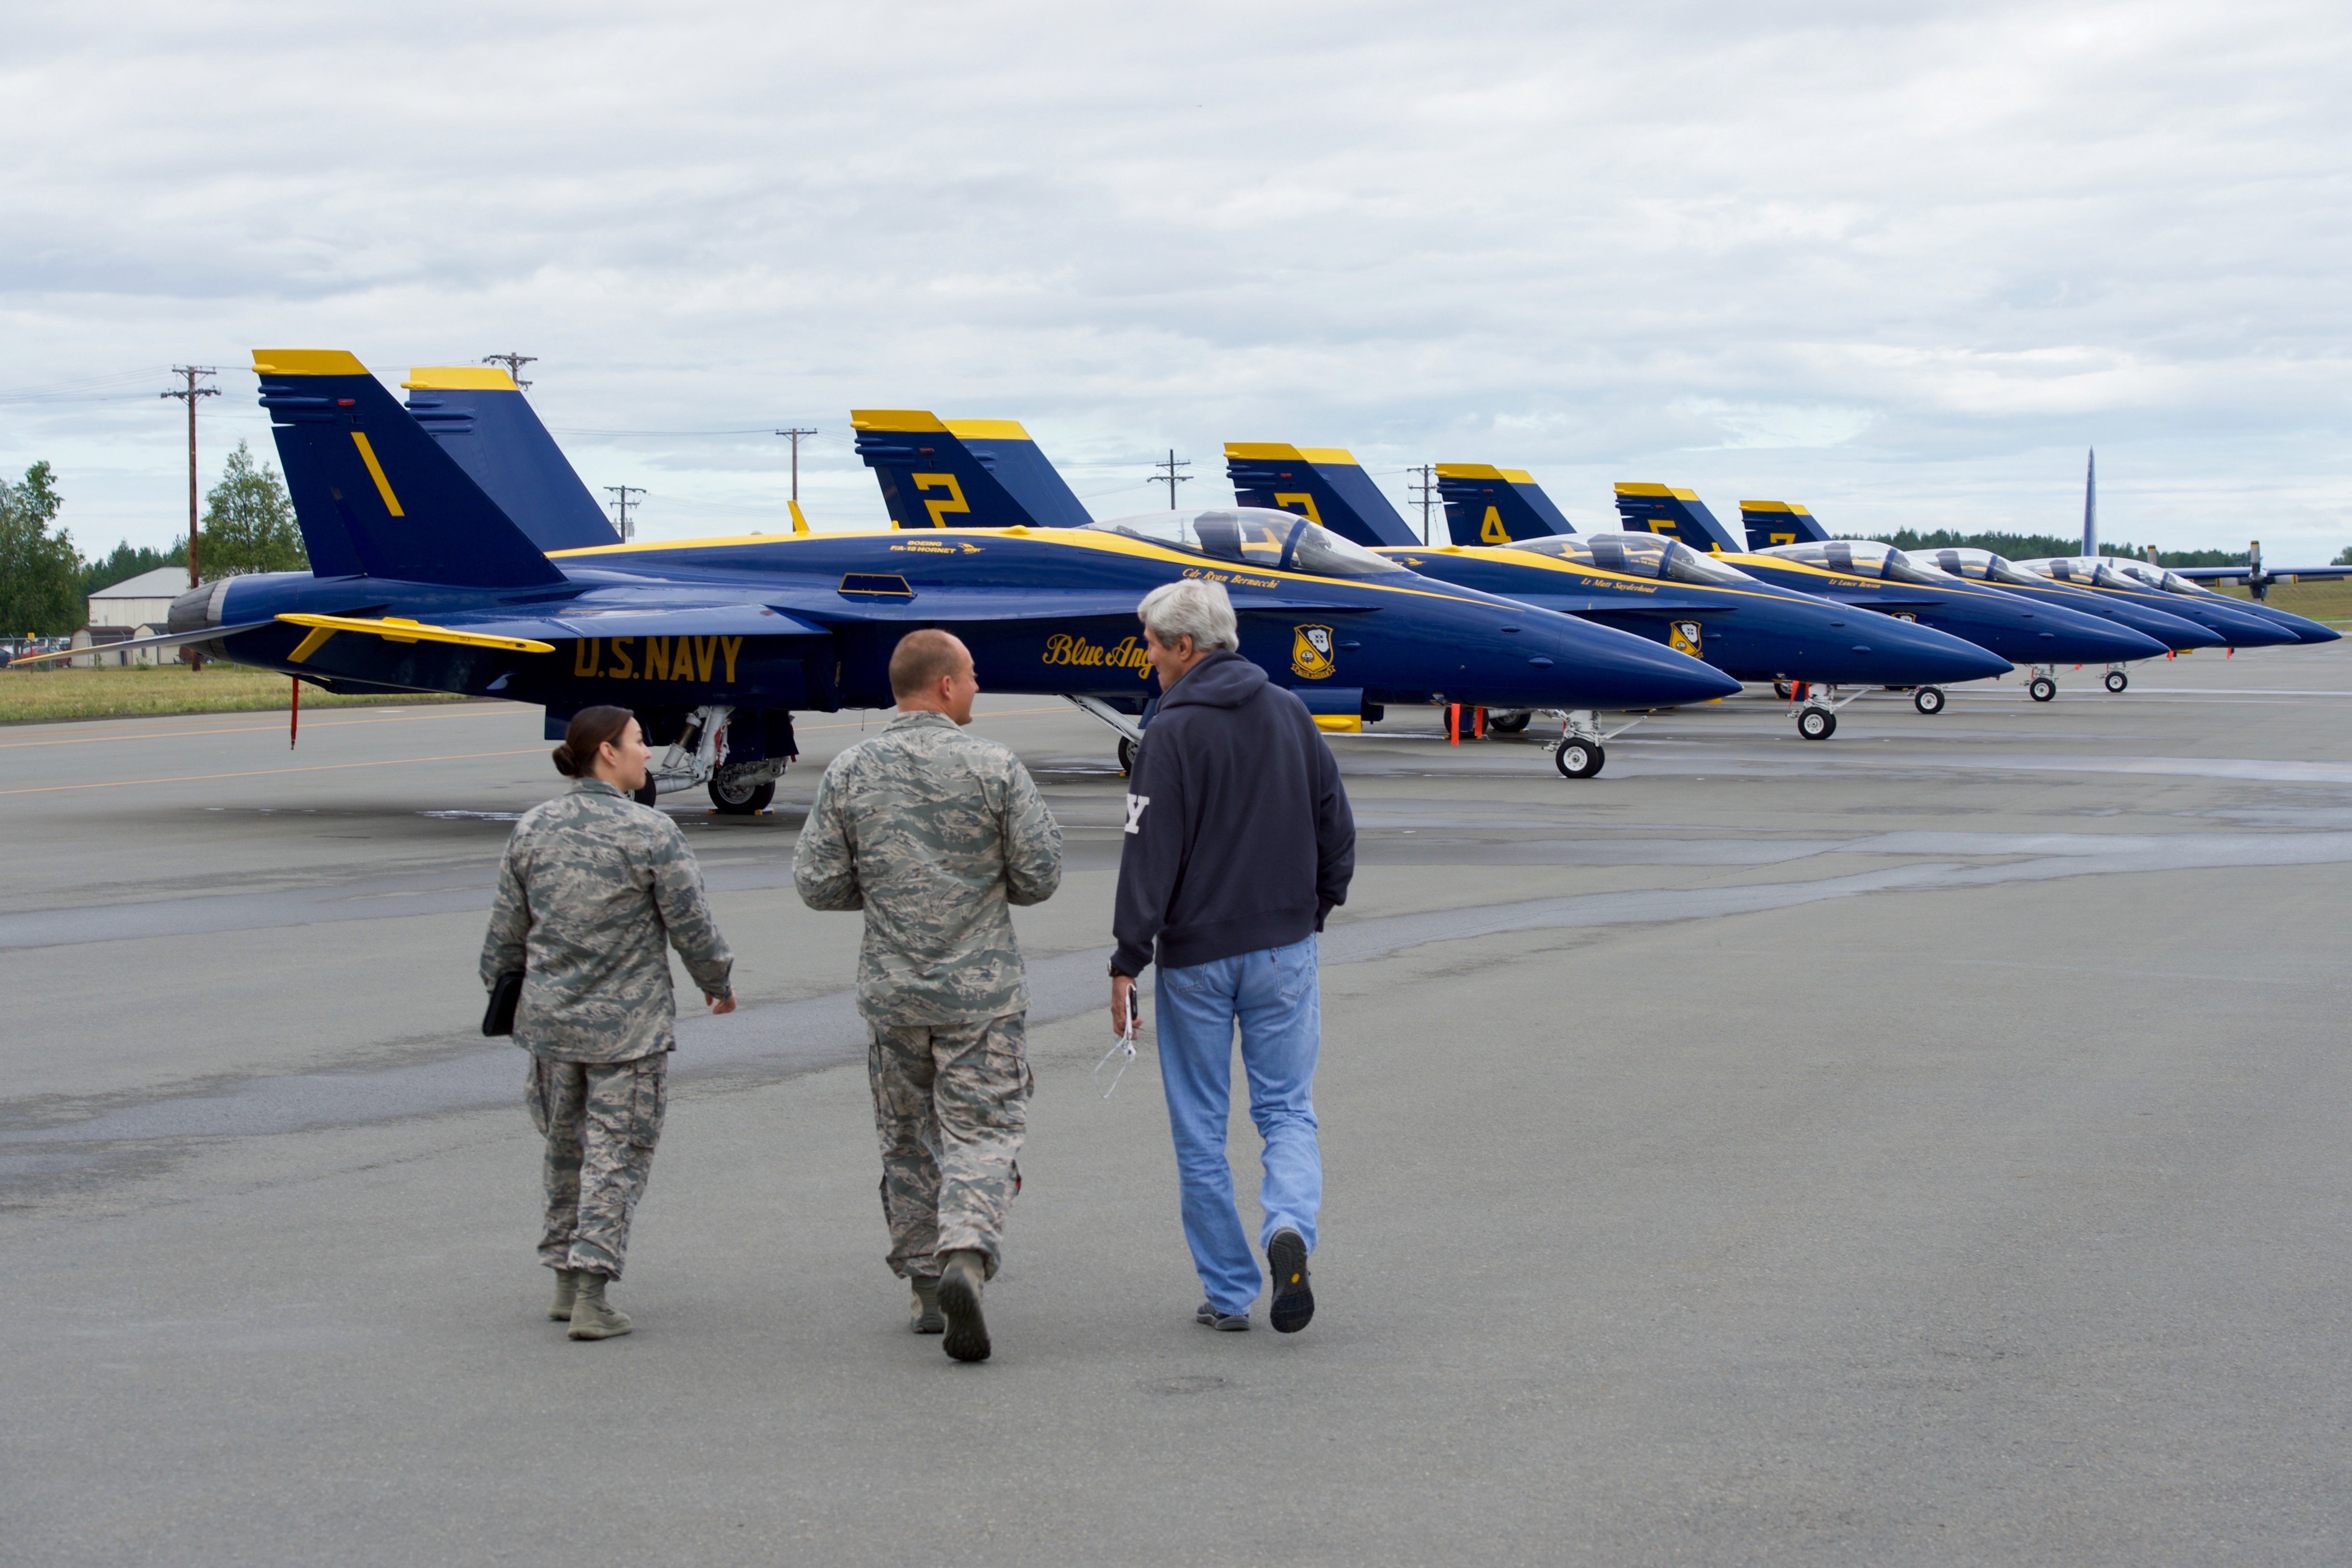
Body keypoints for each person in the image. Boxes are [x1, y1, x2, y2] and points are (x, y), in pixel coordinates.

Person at [793, 630, 1062, 1363]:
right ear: (944, 685)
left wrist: (889, 895)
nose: (977, 687)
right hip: (980, 994)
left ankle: (921, 1287)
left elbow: (816, 882)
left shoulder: (851, 769)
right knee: (981, 1131)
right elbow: (1039, 875)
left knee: (907, 1141)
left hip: (895, 992)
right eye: (971, 675)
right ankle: (966, 1253)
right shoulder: (993, 765)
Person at [1109, 579, 1355, 1335]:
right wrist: (1313, 908)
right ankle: (1289, 1230)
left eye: (1151, 641)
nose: (1145, 654)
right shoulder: (1290, 712)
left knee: (1200, 1127)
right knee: (1286, 1111)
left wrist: (1127, 957)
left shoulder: (1170, 734)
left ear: (1185, 647)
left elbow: (1149, 853)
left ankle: (1226, 1292)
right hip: (1282, 947)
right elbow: (1334, 824)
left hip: (1198, 958)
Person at [481, 705, 736, 1341]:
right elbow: (692, 924)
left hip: (550, 1027)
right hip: (627, 1031)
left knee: (563, 1151)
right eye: (638, 741)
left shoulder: (534, 828)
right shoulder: (649, 833)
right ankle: (594, 1290)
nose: (647, 752)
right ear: (606, 752)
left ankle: (565, 1280)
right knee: (615, 1158)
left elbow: (503, 940)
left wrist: (511, 994)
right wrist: (718, 984)